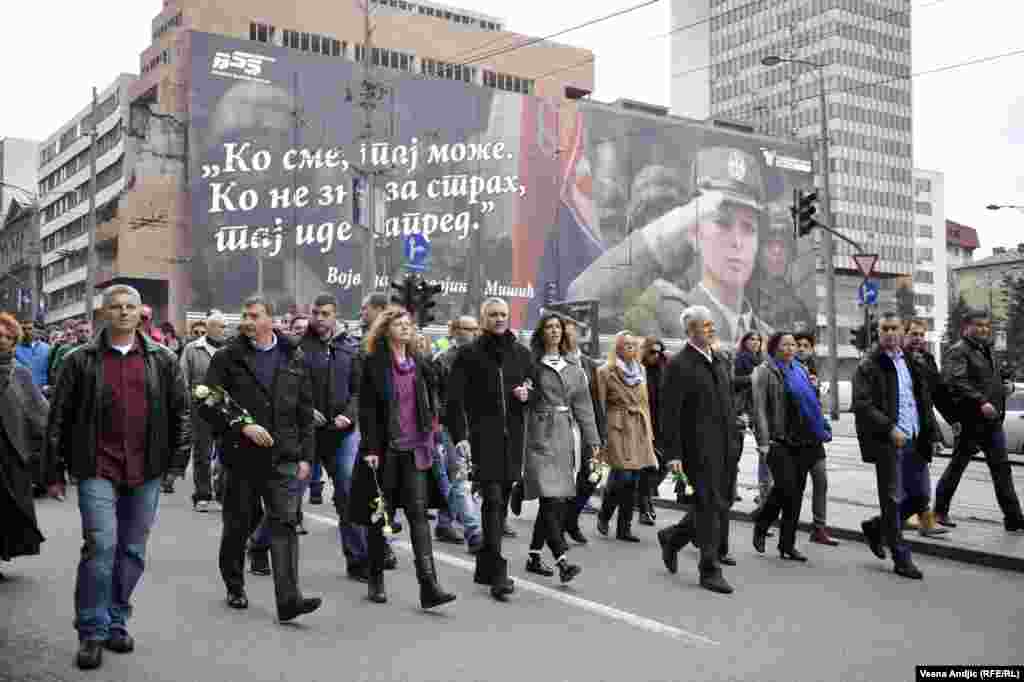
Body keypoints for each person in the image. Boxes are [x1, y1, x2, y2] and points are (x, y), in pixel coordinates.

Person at [45, 284, 190, 670]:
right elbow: (58, 416)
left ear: (142, 312)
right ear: (104, 313)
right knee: (100, 546)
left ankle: (116, 620)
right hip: (96, 466)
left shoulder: (162, 359)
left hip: (146, 469)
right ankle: (91, 631)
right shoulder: (79, 359)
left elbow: (182, 413)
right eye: (115, 307)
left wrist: (176, 463)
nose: (123, 312)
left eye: (130, 306)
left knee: (132, 550)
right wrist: (53, 471)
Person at [568, 146, 773, 346]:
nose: (737, 241)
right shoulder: (653, 311)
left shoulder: (770, 337)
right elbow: (580, 302)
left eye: (748, 228)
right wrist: (675, 224)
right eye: (722, 223)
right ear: (693, 231)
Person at [201, 295, 322, 623]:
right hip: (241, 458)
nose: (247, 321)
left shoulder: (292, 355)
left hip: (284, 456)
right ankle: (235, 584)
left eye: (254, 315)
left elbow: (304, 411)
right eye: (244, 315)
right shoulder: (229, 356)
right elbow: (207, 398)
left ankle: (289, 599)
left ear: (272, 320)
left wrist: (306, 457)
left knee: (284, 523)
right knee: (239, 524)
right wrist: (244, 426)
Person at [349, 306, 456, 609]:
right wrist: (370, 448)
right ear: (385, 330)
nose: (406, 328)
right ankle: (375, 580)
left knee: (419, 517)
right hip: (385, 450)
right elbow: (367, 409)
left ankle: (429, 585)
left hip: (416, 450)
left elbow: (439, 392)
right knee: (380, 516)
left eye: (410, 324)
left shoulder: (419, 362)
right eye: (400, 324)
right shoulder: (373, 363)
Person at [447, 297, 534, 602]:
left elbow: (534, 388)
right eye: (493, 314)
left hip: (514, 439)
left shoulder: (521, 354)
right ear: (483, 319)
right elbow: (454, 401)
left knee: (500, 499)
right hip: (483, 438)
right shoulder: (469, 354)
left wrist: (527, 393)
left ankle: (485, 566)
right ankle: (498, 574)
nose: (499, 319)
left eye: (503, 314)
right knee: (493, 500)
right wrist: (461, 436)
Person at [853, 311, 941, 579]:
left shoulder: (911, 362)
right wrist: (889, 429)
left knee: (920, 497)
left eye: (895, 328)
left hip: (915, 438)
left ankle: (876, 528)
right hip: (888, 442)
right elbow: (862, 404)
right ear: (878, 333)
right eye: (885, 329)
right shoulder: (869, 365)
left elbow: (923, 401)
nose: (890, 333)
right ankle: (901, 556)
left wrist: (933, 434)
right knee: (892, 499)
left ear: (902, 331)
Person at [656, 305, 736, 594]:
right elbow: (670, 415)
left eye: (712, 324)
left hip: (725, 446)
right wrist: (673, 455)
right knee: (709, 507)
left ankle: (673, 538)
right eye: (705, 325)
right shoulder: (679, 365)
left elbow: (725, 403)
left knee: (717, 504)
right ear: (690, 331)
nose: (711, 329)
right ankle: (709, 569)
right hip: (697, 450)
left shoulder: (719, 360)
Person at [522, 313, 600, 583]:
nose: (554, 331)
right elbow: (523, 394)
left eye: (558, 327)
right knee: (550, 497)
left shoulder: (575, 369)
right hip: (539, 433)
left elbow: (585, 408)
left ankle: (533, 554)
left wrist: (593, 442)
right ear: (541, 333)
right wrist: (524, 395)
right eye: (549, 327)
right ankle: (562, 558)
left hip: (565, 436)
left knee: (555, 499)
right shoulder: (531, 364)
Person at [933, 309, 1024, 533]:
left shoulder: (987, 349)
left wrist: (1007, 387)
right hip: (970, 421)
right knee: (957, 467)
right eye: (979, 325)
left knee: (1002, 469)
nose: (984, 329)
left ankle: (1013, 518)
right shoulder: (958, 351)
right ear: (967, 327)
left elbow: (994, 379)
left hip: (992, 422)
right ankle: (939, 511)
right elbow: (956, 382)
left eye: (986, 325)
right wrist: (981, 402)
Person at [298, 294, 367, 581]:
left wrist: (349, 415)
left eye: (326, 313)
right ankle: (260, 544)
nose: (320, 318)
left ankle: (358, 560)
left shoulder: (351, 347)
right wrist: (306, 410)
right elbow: (288, 388)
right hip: (307, 433)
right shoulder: (298, 347)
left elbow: (359, 390)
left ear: (335, 315)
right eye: (316, 313)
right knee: (290, 494)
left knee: (348, 494)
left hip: (343, 434)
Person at [750, 331, 831, 564]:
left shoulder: (801, 370)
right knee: (786, 488)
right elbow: (760, 410)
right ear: (774, 347)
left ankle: (787, 544)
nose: (790, 348)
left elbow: (811, 404)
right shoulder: (764, 372)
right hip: (778, 440)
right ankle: (763, 522)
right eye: (784, 344)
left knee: (794, 494)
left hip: (803, 439)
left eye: (792, 345)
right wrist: (763, 442)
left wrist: (815, 390)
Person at [0, 313, 50, 580]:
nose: (3, 341)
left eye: (9, 337)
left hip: (11, 449)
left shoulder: (20, 373)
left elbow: (40, 411)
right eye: (0, 336)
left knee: (9, 505)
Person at [595, 332, 658, 542]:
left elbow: (645, 403)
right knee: (622, 474)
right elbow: (600, 405)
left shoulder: (641, 370)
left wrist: (649, 432)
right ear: (618, 348)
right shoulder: (605, 371)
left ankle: (624, 528)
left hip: (638, 426)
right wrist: (601, 433)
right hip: (617, 426)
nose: (631, 347)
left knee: (633, 479)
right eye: (626, 344)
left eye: (634, 344)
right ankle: (604, 515)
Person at [433, 315, 484, 553]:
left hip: (474, 427)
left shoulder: (480, 357)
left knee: (456, 479)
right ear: (454, 330)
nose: (473, 333)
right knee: (460, 478)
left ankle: (444, 523)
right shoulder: (443, 359)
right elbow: (436, 399)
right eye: (467, 328)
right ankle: (474, 532)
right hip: (449, 428)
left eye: (475, 329)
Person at [901, 318, 951, 537]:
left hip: (923, 425)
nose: (918, 338)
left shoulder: (928, 360)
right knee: (906, 475)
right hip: (903, 424)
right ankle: (907, 519)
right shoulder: (898, 360)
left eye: (921, 335)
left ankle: (919, 519)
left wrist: (952, 420)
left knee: (919, 473)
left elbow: (938, 394)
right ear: (905, 335)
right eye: (913, 334)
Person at [562, 318, 606, 543]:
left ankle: (571, 518)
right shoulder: (554, 361)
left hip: (588, 429)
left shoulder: (589, 364)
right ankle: (556, 528)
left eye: (572, 333)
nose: (569, 337)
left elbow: (596, 401)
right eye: (565, 333)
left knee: (592, 477)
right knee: (564, 481)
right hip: (564, 429)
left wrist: (601, 434)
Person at [792, 332, 838, 547]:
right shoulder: (786, 369)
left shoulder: (812, 370)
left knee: (821, 482)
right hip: (795, 438)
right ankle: (780, 525)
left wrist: (816, 388)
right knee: (794, 487)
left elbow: (817, 405)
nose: (801, 348)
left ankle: (819, 528)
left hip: (814, 437)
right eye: (797, 345)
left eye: (805, 345)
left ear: (811, 349)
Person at [179, 311, 226, 512]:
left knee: (227, 452)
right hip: (201, 409)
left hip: (226, 408)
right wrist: (191, 402)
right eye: (220, 327)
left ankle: (223, 493)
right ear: (209, 328)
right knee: (202, 453)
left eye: (225, 327)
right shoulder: (192, 349)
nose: (224, 330)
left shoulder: (231, 349)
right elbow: (182, 378)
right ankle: (202, 495)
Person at [735, 332, 771, 511]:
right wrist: (752, 378)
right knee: (736, 449)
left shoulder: (763, 360)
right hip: (743, 409)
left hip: (758, 407)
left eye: (758, 339)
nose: (755, 342)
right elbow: (733, 381)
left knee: (765, 450)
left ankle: (763, 493)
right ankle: (732, 488)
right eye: (752, 339)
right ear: (745, 342)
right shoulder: (740, 358)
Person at [636, 336, 668, 526]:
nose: (656, 355)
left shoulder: (666, 369)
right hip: (643, 424)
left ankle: (644, 498)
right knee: (647, 468)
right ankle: (644, 506)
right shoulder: (638, 370)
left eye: (659, 352)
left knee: (662, 466)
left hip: (662, 425)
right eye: (652, 352)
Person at [15, 320, 50, 389]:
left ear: (35, 330)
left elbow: (51, 370)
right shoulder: (14, 349)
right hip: (23, 391)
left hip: (44, 390)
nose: (27, 331)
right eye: (23, 329)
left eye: (30, 328)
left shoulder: (47, 348)